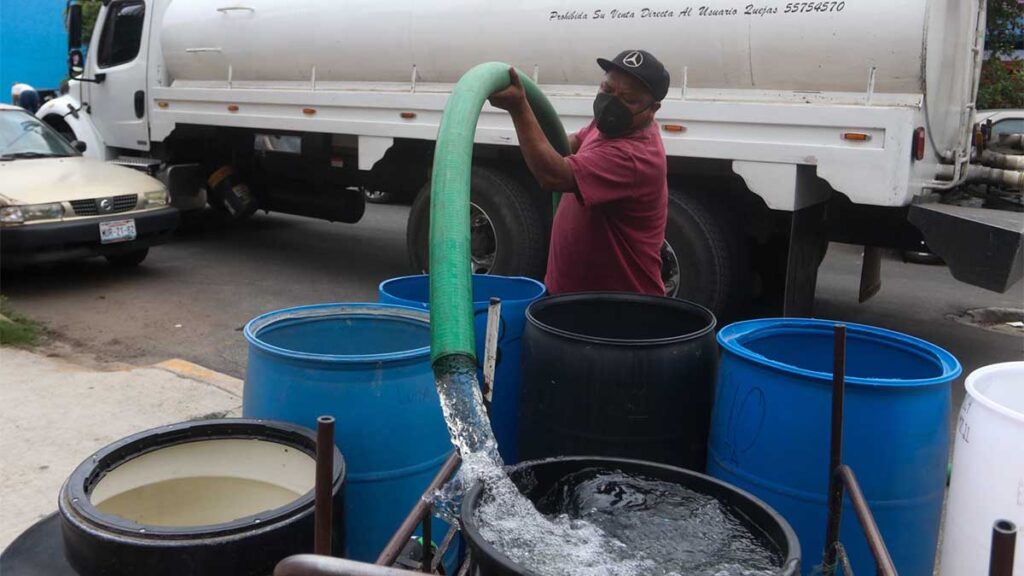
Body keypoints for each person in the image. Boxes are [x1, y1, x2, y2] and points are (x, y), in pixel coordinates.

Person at [488, 50, 671, 296]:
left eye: (628, 99)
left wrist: (519, 109)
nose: (612, 102)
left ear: (653, 108)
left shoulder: (634, 156)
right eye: (607, 90)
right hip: (577, 298)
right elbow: (566, 144)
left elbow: (553, 176)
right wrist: (531, 114)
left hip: (619, 308)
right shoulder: (611, 125)